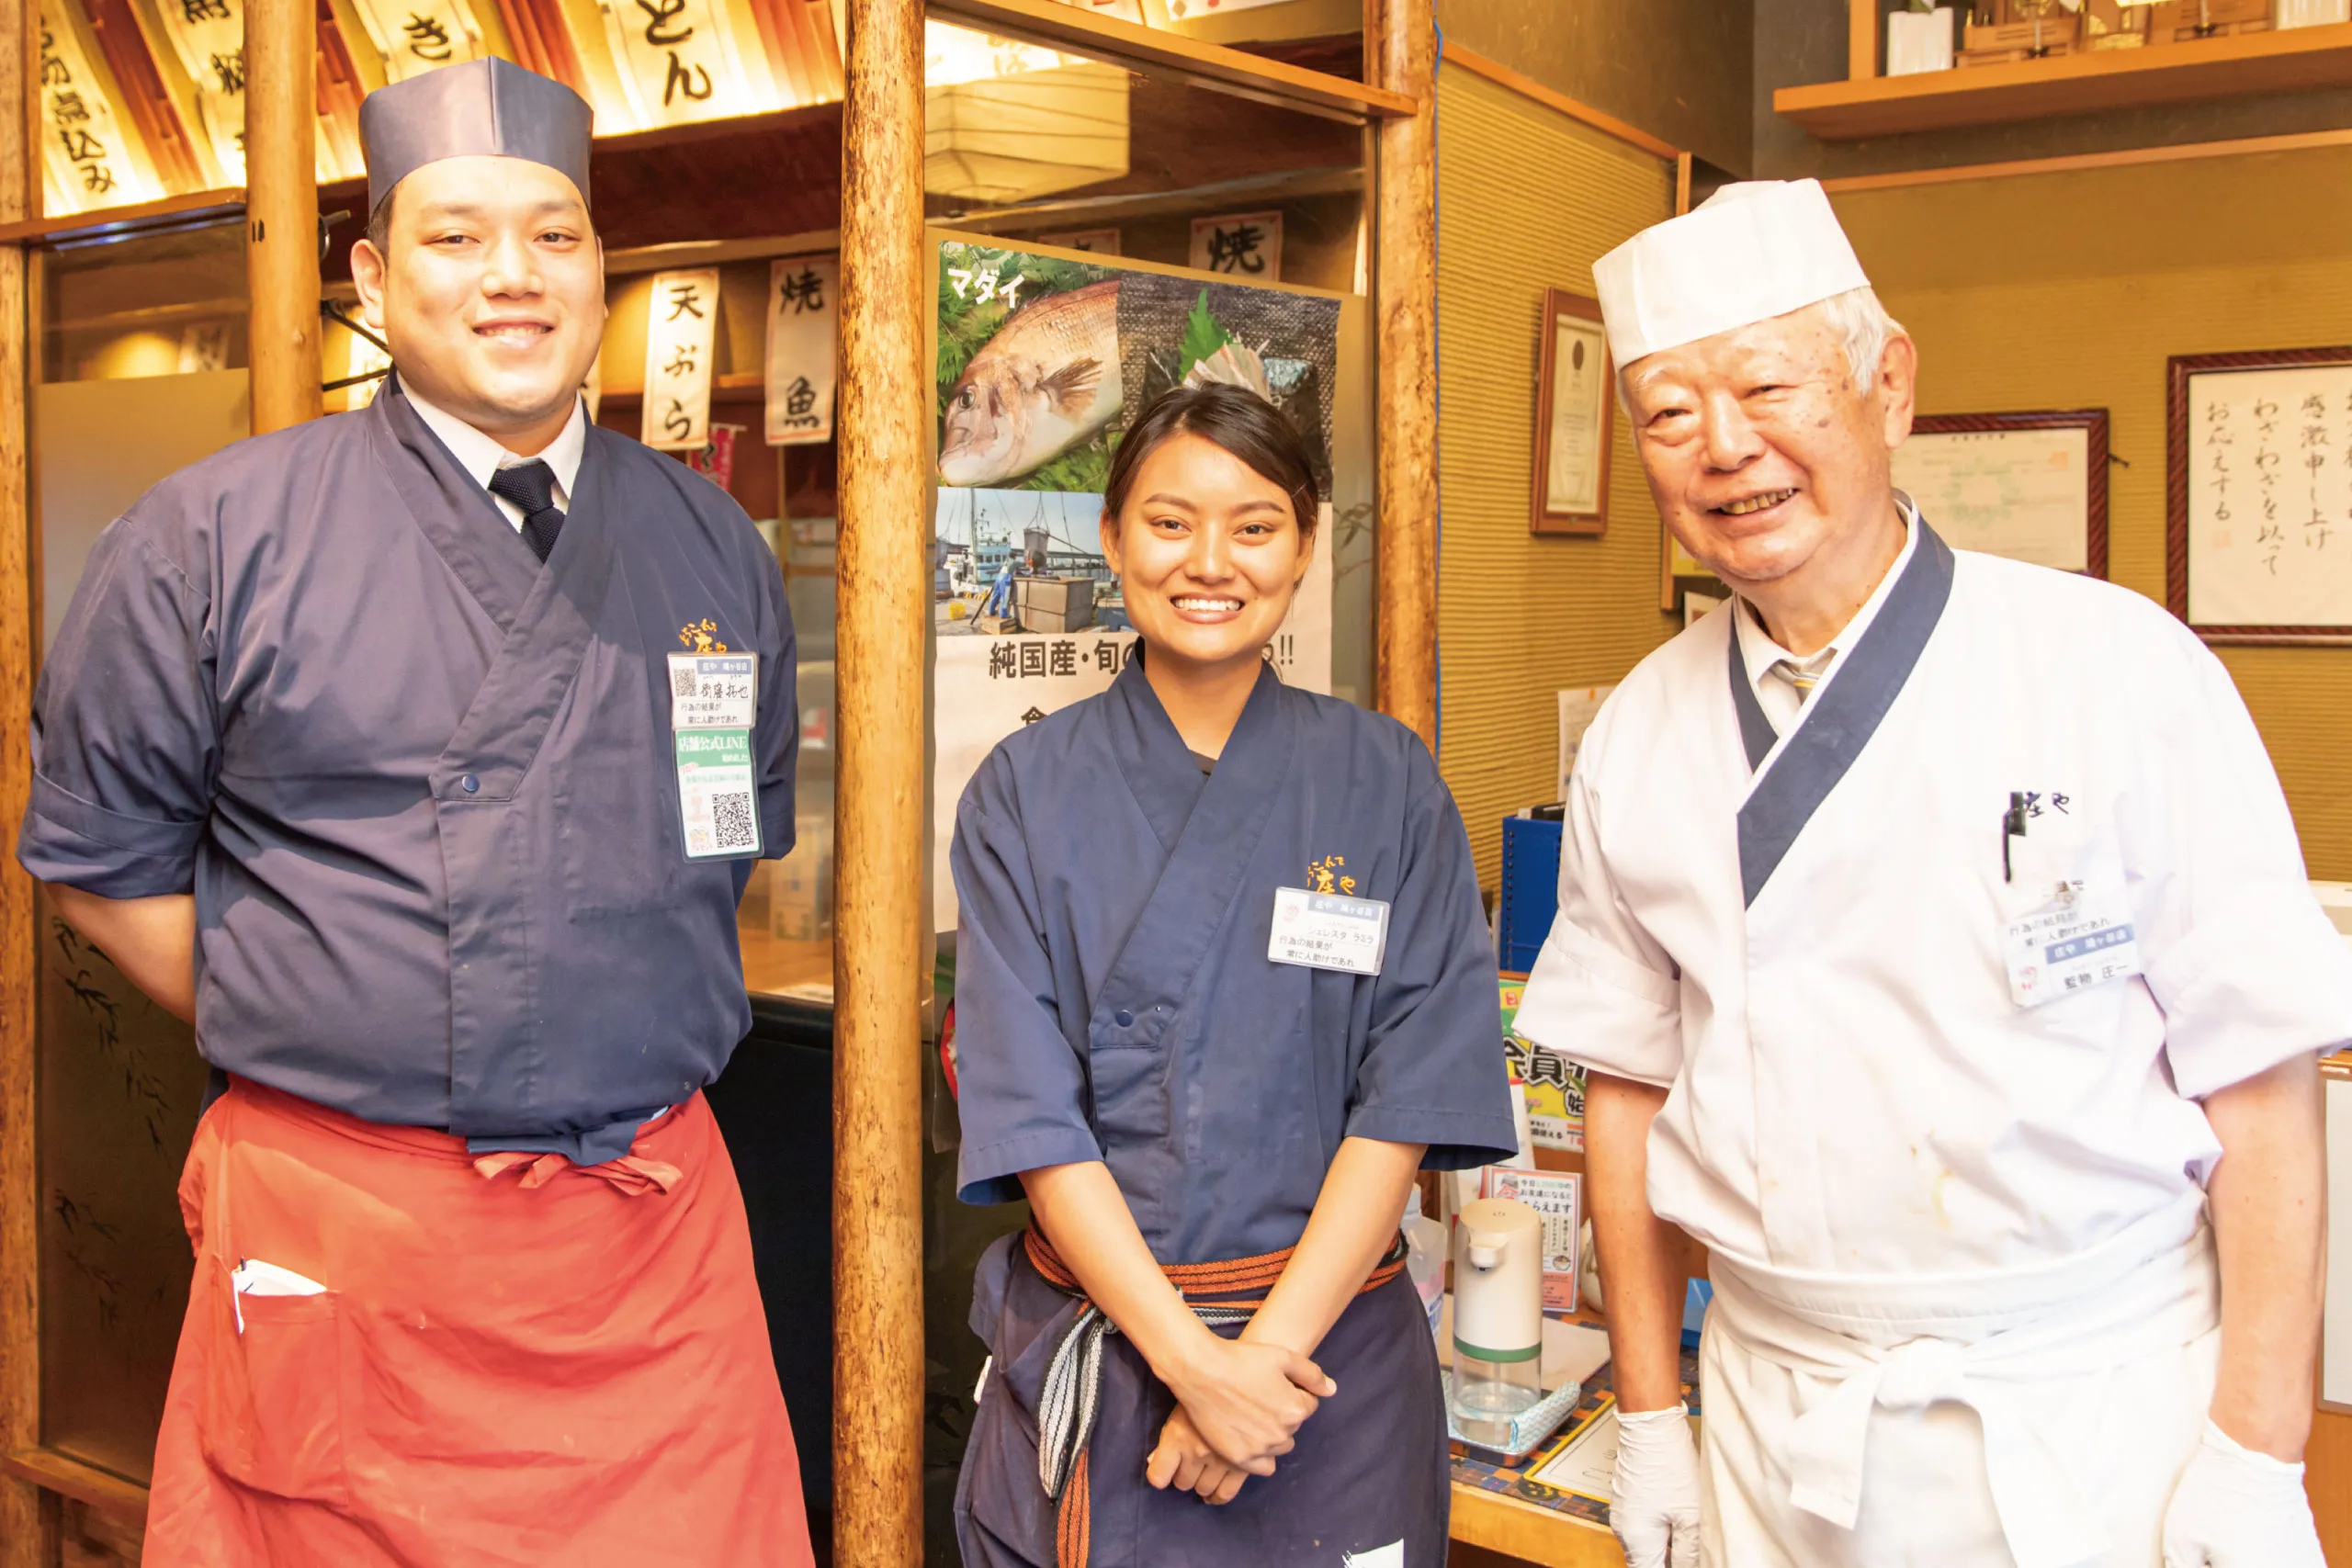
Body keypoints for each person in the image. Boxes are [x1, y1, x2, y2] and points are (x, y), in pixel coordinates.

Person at [19, 59, 813, 1566]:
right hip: (346, 1235)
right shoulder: (213, 534)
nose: (511, 277)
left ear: (599, 269)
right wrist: (313, 1014)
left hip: (648, 1246)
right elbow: (103, 866)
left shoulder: (712, 542)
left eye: (554, 235)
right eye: (456, 237)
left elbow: (729, 837)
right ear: (375, 277)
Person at [1515, 177, 2352, 1568]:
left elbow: (2261, 1080)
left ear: (1888, 384)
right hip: (1772, 1412)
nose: (1724, 449)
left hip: (2090, 1411)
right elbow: (1626, 1088)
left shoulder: (2118, 668)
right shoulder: (1637, 735)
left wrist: (2258, 1452)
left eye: (1767, 386)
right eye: (1668, 412)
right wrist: (1653, 1413)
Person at [948, 384, 1517, 1568]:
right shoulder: (1022, 792)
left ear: (1306, 545)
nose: (1211, 561)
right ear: (1110, 538)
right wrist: (1195, 1366)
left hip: (1328, 1373)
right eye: (1170, 522)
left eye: (1255, 526)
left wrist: (1257, 1372)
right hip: (1120, 1359)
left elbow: (1408, 1096)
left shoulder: (1386, 781)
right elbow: (1033, 1118)